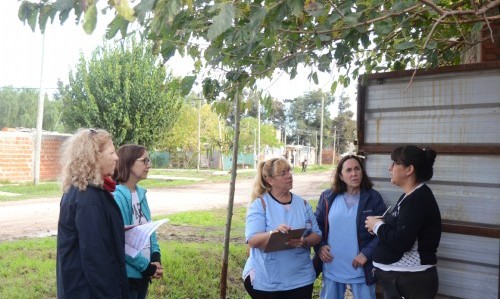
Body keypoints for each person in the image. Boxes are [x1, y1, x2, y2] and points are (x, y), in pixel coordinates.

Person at [56, 128, 128, 299]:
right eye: (111, 152)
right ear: (95, 157)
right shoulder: (88, 198)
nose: (117, 157)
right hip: (87, 292)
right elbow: (95, 259)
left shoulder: (82, 191)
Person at [365, 145, 441, 299]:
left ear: (409, 169)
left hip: (412, 282)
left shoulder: (418, 199)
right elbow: (402, 226)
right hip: (402, 281)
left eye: (394, 163)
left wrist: (378, 226)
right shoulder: (409, 196)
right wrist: (382, 224)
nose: (389, 168)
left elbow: (403, 242)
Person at [242, 157, 322, 299]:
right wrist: (273, 233)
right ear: (270, 180)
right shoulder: (260, 205)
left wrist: (304, 241)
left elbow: (316, 235)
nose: (289, 175)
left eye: (289, 171)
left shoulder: (303, 204)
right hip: (270, 281)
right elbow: (252, 240)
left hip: (301, 279)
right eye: (283, 173)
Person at [314, 155, 387, 299]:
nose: (354, 173)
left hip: (361, 268)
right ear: (341, 176)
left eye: (357, 169)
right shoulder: (327, 197)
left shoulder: (373, 198)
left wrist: (366, 253)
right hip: (332, 266)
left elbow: (383, 231)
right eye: (348, 170)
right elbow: (317, 226)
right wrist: (320, 246)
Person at [113, 144, 163, 299]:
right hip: (129, 276)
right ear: (128, 163)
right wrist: (146, 267)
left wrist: (155, 257)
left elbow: (149, 229)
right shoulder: (117, 197)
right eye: (145, 161)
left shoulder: (141, 193)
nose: (149, 165)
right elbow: (122, 241)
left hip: (144, 273)